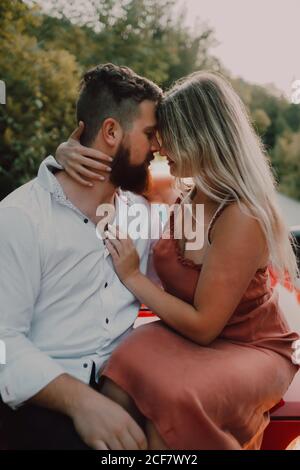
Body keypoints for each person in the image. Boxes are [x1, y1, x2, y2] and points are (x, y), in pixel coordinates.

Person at [55, 71, 300, 450]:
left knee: (174, 400)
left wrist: (133, 277)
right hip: (186, 335)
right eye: (157, 135)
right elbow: (114, 167)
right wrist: (64, 152)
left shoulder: (243, 216)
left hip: (246, 345)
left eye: (169, 137)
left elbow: (204, 326)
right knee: (119, 371)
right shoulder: (179, 188)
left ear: (202, 140)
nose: (160, 147)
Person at [0, 63, 163, 450]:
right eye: (150, 134)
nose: (157, 147)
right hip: (37, 404)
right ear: (110, 131)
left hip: (122, 390)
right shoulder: (20, 218)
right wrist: (83, 403)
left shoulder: (142, 215)